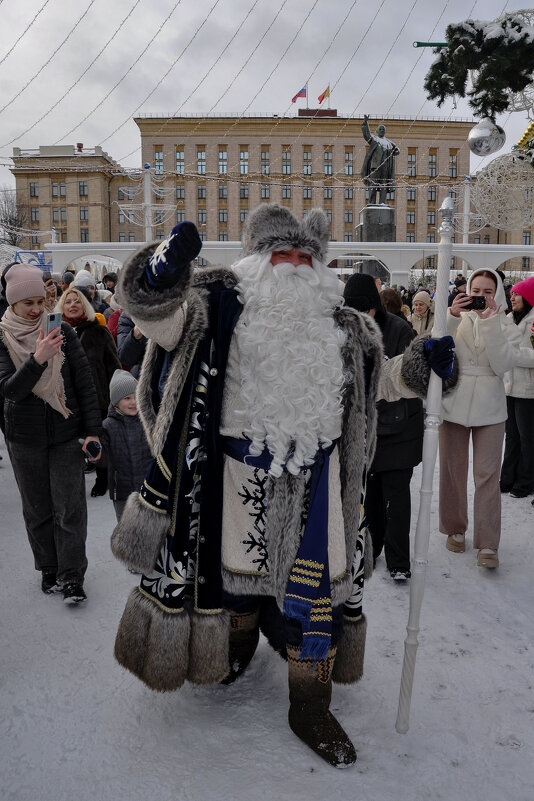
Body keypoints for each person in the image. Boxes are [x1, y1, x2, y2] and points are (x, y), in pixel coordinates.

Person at [109, 208, 455, 768]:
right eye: (282, 256)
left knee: (314, 597)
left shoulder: (347, 326)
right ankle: (236, 649)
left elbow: (379, 382)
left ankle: (310, 704)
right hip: (234, 477)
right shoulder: (214, 307)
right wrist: (160, 271)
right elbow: (156, 320)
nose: (293, 268)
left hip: (319, 487)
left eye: (304, 257)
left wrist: (418, 367)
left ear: (320, 266)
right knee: (234, 580)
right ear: (256, 260)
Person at [0, 264, 102, 604]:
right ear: (11, 303)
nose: (35, 309)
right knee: (38, 508)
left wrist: (92, 431)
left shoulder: (64, 333)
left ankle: (72, 575)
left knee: (70, 507)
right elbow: (10, 391)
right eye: (26, 303)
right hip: (24, 438)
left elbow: (85, 385)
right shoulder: (2, 337)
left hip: (65, 433)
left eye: (39, 301)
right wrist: (38, 359)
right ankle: (48, 567)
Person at [344, 275, 425, 581]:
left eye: (365, 309)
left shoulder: (398, 328)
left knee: (397, 496)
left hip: (399, 427)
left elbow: (407, 378)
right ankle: (372, 550)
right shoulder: (347, 326)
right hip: (369, 429)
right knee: (373, 495)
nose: (361, 316)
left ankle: (399, 561)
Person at [439, 268, 520, 569]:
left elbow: (504, 365)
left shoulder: (506, 322)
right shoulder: (456, 316)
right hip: (455, 402)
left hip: (490, 406)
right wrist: (449, 316)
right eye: (477, 291)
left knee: (487, 476)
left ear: (497, 293)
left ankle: (488, 544)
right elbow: (437, 349)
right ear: (467, 291)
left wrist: (491, 326)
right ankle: (455, 528)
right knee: (452, 471)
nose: (482, 297)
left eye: (488, 292)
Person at [55, 287, 121, 496]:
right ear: (61, 307)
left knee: (98, 439)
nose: (72, 305)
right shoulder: (55, 334)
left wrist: (113, 396)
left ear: (84, 305)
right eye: (68, 301)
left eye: (77, 301)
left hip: (96, 397)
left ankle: (103, 478)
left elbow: (114, 365)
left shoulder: (98, 331)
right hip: (66, 399)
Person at [101, 370, 152, 522]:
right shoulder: (108, 426)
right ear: (116, 401)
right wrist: (93, 450)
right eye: (127, 398)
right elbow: (101, 456)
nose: (133, 402)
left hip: (148, 487)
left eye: (136, 397)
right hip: (122, 491)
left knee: (150, 527)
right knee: (126, 529)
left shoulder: (147, 421)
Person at [499, 276, 534, 498]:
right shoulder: (509, 319)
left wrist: (511, 356)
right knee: (510, 437)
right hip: (508, 388)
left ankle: (525, 481)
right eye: (511, 294)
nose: (512, 297)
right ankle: (507, 478)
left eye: (517, 294)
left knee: (527, 438)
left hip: (528, 391)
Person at [360, 115, 399, 205]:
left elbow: (397, 151)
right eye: (380, 129)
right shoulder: (374, 139)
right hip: (375, 167)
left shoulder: (389, 142)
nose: (382, 131)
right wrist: (366, 123)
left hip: (385, 168)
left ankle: (382, 202)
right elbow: (367, 135)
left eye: (383, 129)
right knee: (373, 184)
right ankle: (372, 202)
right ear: (377, 131)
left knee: (383, 186)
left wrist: (395, 149)